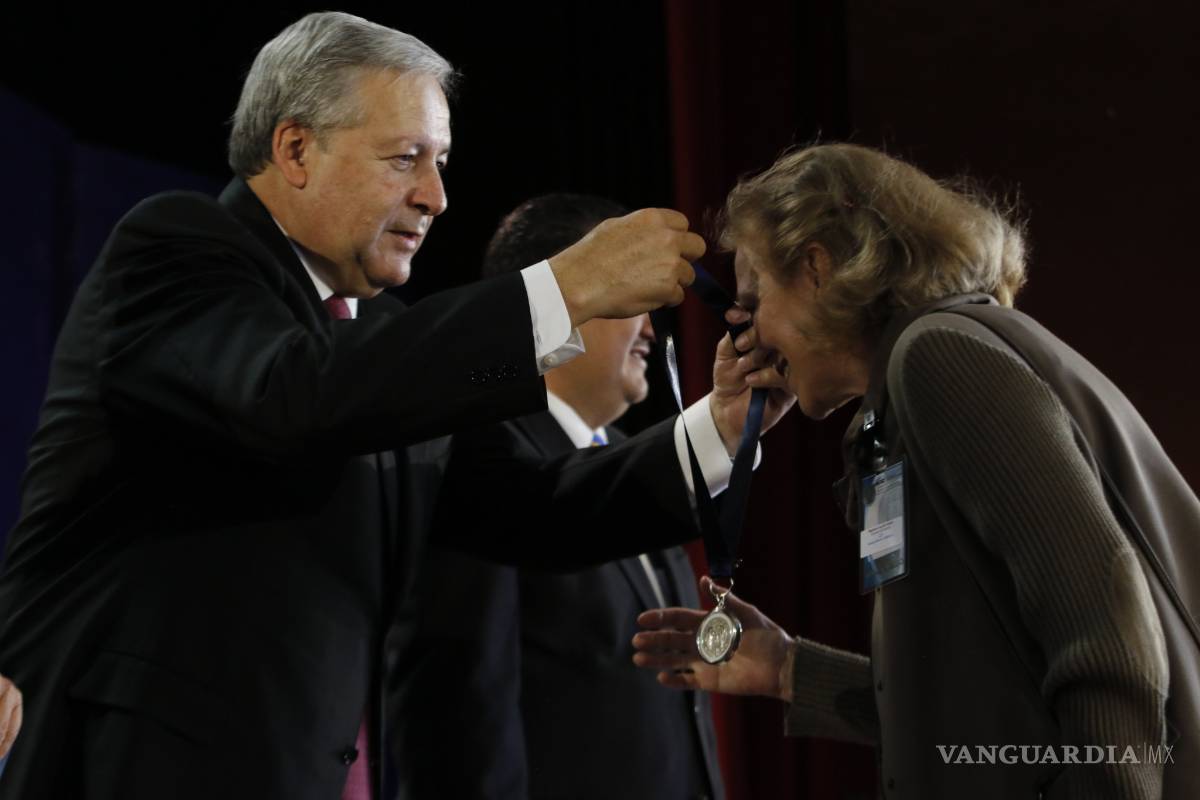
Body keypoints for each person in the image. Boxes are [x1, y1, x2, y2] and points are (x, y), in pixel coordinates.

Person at [0, 12, 788, 800]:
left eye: (441, 161)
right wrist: (564, 288)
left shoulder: (382, 336)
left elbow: (537, 508)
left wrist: (723, 425)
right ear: (296, 149)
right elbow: (293, 394)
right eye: (405, 158)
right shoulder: (177, 251)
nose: (437, 196)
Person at [633, 142, 1200, 799]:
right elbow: (988, 715)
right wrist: (788, 669)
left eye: (754, 301)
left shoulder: (937, 357)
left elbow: (1105, 622)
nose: (746, 337)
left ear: (815, 267)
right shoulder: (906, 392)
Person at [387, 194, 725, 800]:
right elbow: (465, 707)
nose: (652, 326)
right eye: (633, 299)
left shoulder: (640, 468)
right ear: (567, 299)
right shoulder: (481, 463)